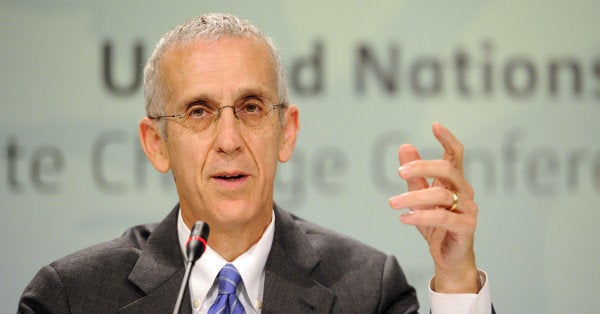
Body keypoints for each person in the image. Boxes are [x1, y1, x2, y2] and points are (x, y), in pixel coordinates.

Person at [18, 13, 493, 313]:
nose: (229, 140)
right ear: (156, 143)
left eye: (250, 107)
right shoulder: (71, 297)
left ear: (286, 132)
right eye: (198, 111)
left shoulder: (366, 290)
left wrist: (455, 279)